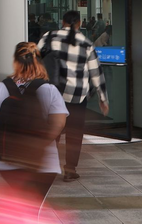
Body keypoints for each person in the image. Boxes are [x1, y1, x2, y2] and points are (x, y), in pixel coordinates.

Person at [0, 42, 68, 212]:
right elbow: (59, 122)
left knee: (19, 208)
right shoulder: (49, 90)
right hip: (43, 163)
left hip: (9, 161)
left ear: (15, 62)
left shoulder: (0, 89)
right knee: (34, 210)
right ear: (39, 62)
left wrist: (2, 143)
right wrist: (39, 145)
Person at [39, 11, 109, 182]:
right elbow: (95, 72)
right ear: (79, 23)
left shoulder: (50, 37)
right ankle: (70, 169)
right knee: (74, 133)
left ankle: (49, 166)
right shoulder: (86, 43)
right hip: (77, 96)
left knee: (52, 131)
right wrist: (102, 98)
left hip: (53, 94)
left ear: (62, 21)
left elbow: (35, 59)